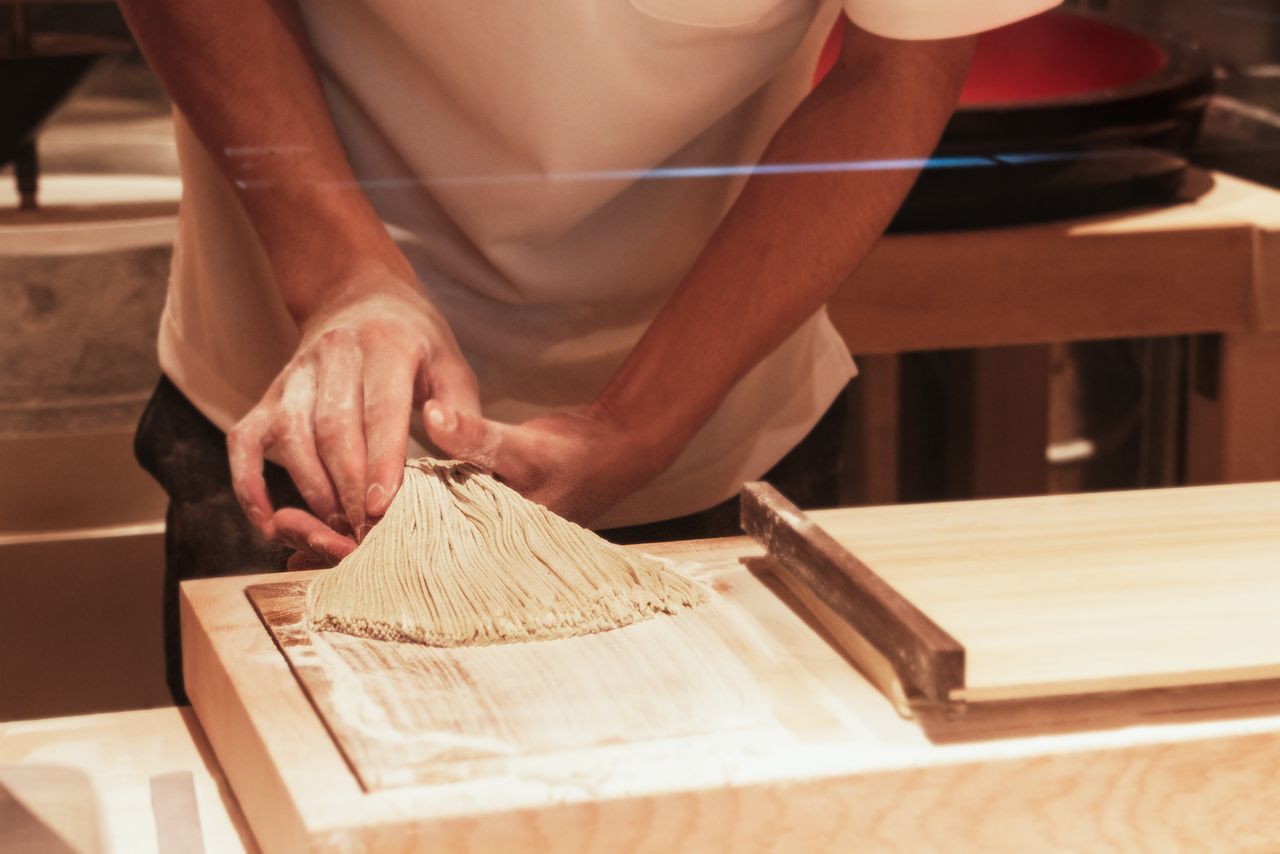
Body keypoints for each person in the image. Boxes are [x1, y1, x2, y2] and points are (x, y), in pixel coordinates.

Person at [120, 0, 1054, 698]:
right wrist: (341, 277)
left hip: (708, 405)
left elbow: (898, 66)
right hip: (305, 405)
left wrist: (641, 422)